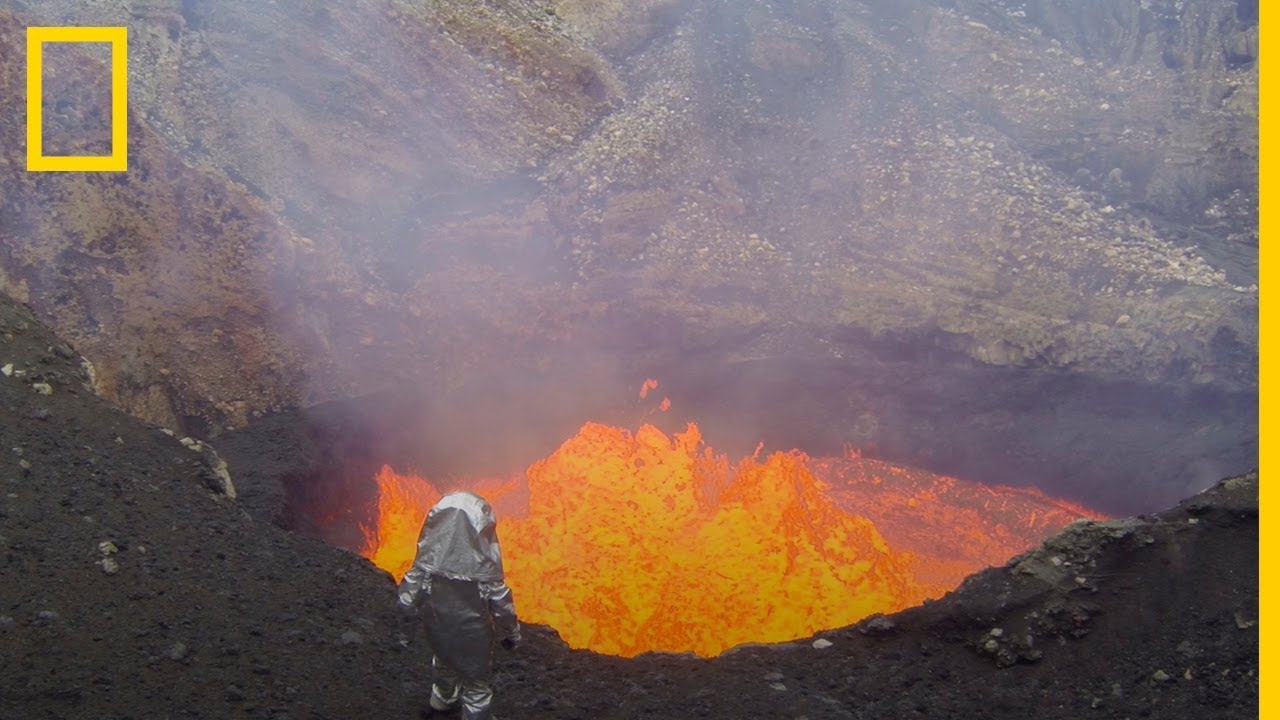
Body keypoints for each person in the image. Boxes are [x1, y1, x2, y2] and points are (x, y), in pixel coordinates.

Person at [397, 491, 521, 720]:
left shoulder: (425, 567)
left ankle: (442, 704)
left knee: (444, 662)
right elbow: (503, 607)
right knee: (476, 684)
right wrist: (512, 634)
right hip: (472, 635)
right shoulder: (484, 573)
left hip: (437, 627)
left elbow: (406, 600)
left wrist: (405, 634)